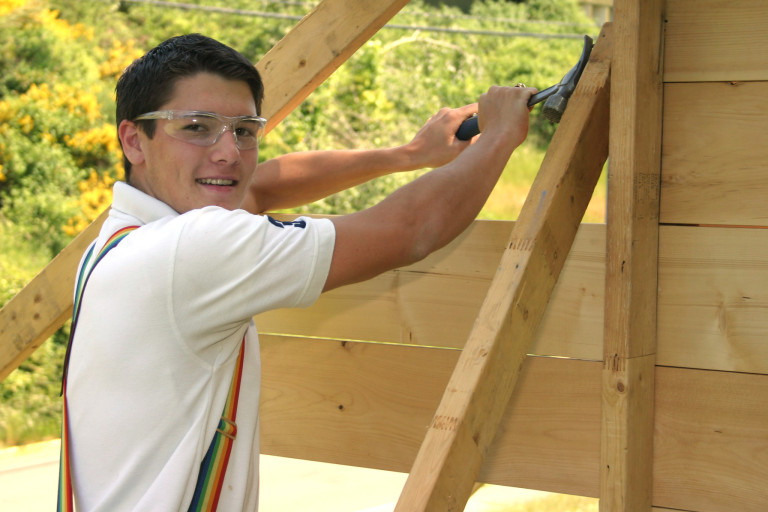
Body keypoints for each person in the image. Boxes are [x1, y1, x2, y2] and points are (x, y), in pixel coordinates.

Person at [63, 33, 534, 511]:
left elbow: (262, 187)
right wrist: (499, 135)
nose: (228, 152)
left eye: (244, 131)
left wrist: (408, 155)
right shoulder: (193, 250)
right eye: (196, 127)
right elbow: (411, 229)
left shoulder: (119, 242)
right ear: (133, 139)